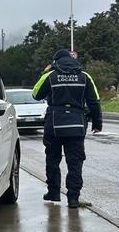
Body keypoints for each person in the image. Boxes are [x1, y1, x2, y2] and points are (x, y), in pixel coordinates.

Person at [31, 49, 103, 208]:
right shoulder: (85, 76)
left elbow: (36, 94)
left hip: (54, 124)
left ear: (55, 61)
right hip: (76, 125)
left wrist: (44, 72)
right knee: (75, 162)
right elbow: (94, 102)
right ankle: (73, 198)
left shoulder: (51, 76)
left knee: (52, 160)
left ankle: (54, 193)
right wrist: (97, 124)